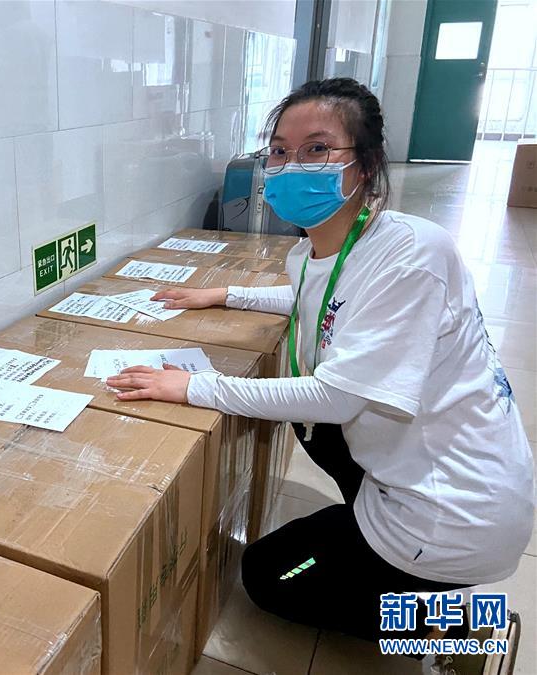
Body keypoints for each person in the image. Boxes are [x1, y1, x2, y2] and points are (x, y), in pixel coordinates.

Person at [105, 78, 533, 674]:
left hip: (454, 510)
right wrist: (224, 295)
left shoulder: (413, 253)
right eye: (280, 151)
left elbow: (336, 397)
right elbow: (324, 299)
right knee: (315, 435)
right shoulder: (317, 250)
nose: (292, 166)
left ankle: (460, 629)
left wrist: (192, 386)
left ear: (367, 164)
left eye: (317, 149)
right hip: (415, 475)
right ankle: (388, 557)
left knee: (268, 577)